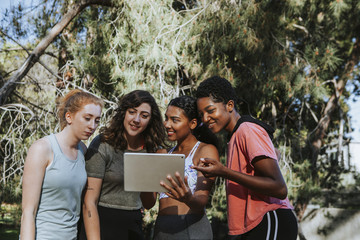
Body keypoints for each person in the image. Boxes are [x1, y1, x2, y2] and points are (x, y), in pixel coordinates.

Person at [193, 76, 298, 240]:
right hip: (255, 225)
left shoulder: (247, 130)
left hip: (270, 219)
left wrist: (225, 172)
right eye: (201, 114)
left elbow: (279, 188)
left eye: (210, 110)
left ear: (229, 105)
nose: (205, 118)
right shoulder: (235, 135)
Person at [80, 90, 167, 240]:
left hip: (133, 225)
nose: (137, 119)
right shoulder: (103, 143)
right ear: (123, 114)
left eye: (144, 116)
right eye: (132, 112)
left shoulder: (152, 149)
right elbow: (89, 202)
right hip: (101, 222)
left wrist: (146, 174)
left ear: (151, 120)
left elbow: (148, 203)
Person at [20, 89, 103, 240]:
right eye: (87, 118)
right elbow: (28, 211)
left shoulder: (82, 151)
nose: (93, 126)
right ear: (69, 117)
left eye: (97, 120)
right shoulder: (42, 148)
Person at [151, 95, 220, 240]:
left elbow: (200, 202)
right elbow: (149, 202)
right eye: (166, 118)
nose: (167, 124)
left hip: (192, 228)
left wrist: (187, 198)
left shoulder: (205, 151)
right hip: (161, 229)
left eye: (175, 120)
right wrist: (141, 178)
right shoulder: (163, 153)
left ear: (193, 123)